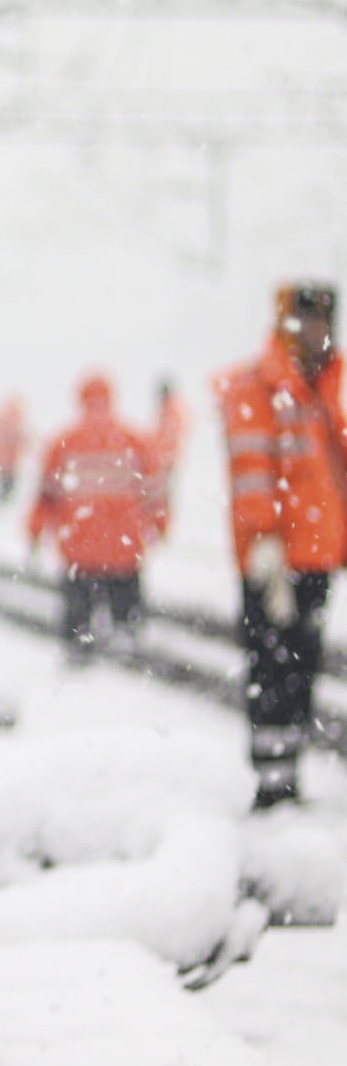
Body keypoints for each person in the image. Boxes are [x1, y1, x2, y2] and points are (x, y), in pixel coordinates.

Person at [216, 281, 347, 809]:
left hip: (317, 554)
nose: (317, 332)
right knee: (271, 667)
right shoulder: (260, 386)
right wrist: (263, 540)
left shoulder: (328, 387)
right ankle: (271, 784)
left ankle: (288, 775)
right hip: (273, 559)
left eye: (324, 323)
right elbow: (252, 471)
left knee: (302, 667)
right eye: (306, 322)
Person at [25, 373, 167, 663]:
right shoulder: (134, 440)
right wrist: (160, 525)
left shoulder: (63, 443)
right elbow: (154, 491)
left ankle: (79, 646)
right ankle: (126, 641)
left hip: (79, 551)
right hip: (124, 550)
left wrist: (34, 532)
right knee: (126, 613)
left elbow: (46, 496)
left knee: (79, 614)